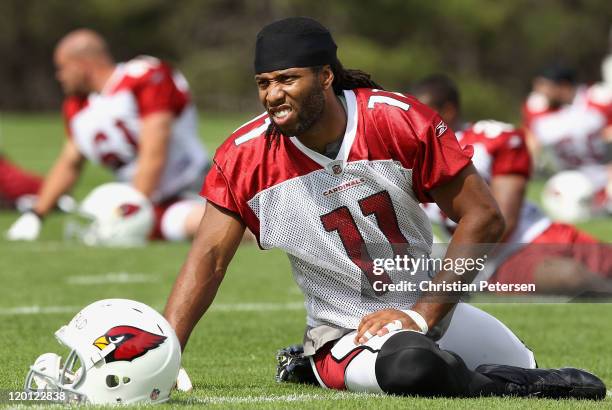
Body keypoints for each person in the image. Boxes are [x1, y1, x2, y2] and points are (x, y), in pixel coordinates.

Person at [163, 18, 606, 399]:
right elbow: (210, 257)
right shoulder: (245, 155)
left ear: (324, 77)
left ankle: (485, 372)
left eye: (287, 79)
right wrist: (169, 351)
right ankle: (495, 385)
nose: (273, 95)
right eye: (264, 83)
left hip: (427, 307)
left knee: (529, 364)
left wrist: (422, 313)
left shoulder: (394, 119)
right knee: (414, 369)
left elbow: (485, 216)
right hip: (344, 330)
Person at [414, 74, 612, 296]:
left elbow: (502, 222)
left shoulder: (490, 139)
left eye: (421, 113)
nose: (413, 122)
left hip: (535, 233)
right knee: (572, 277)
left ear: (448, 111)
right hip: (498, 261)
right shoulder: (410, 155)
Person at [6, 29, 210, 242]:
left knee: (199, 225)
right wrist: (36, 214)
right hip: (149, 202)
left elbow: (154, 150)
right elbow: (69, 163)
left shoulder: (143, 76)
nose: (59, 76)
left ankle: (241, 224)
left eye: (62, 67)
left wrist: (133, 209)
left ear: (82, 64)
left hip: (191, 187)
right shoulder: (78, 107)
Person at [522, 64, 612, 203]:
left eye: (545, 86)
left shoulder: (598, 99)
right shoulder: (536, 107)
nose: (540, 91)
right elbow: (531, 142)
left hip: (604, 175)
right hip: (566, 181)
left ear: (563, 86)